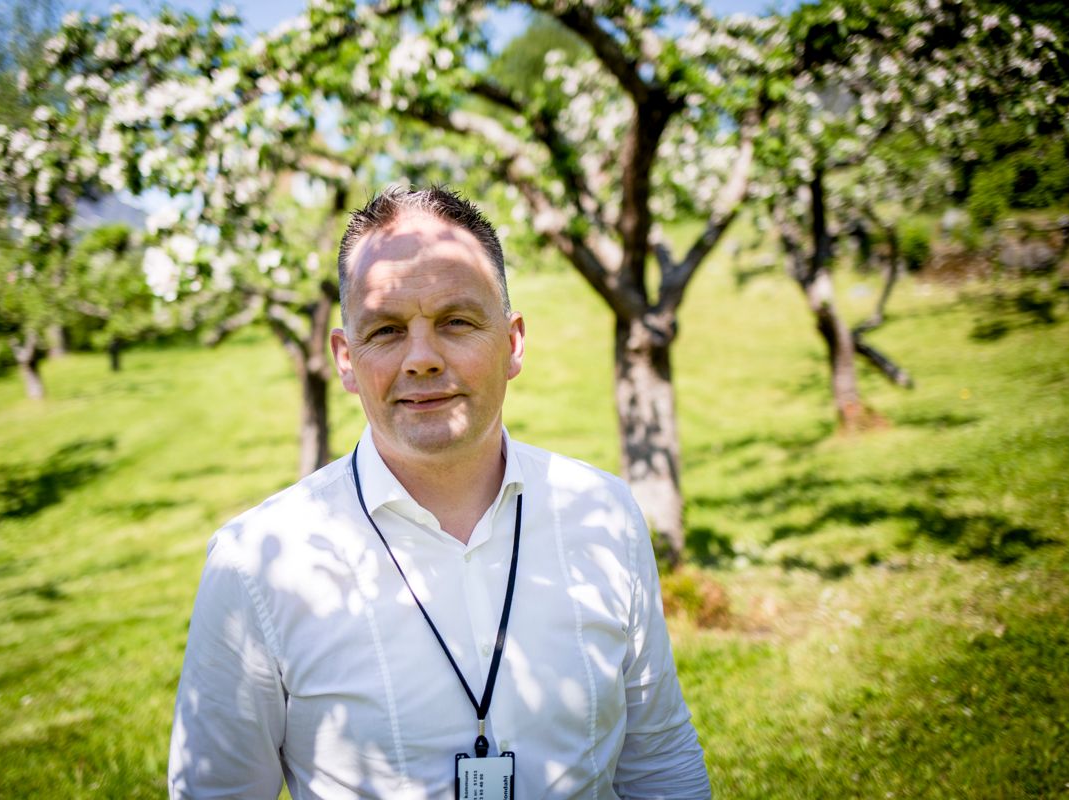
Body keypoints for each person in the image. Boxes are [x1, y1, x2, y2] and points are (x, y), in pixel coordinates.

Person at [168, 186, 712, 799]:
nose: (422, 359)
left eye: (456, 321)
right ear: (346, 359)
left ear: (513, 343)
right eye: (387, 330)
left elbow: (659, 762)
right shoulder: (256, 565)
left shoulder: (603, 515)